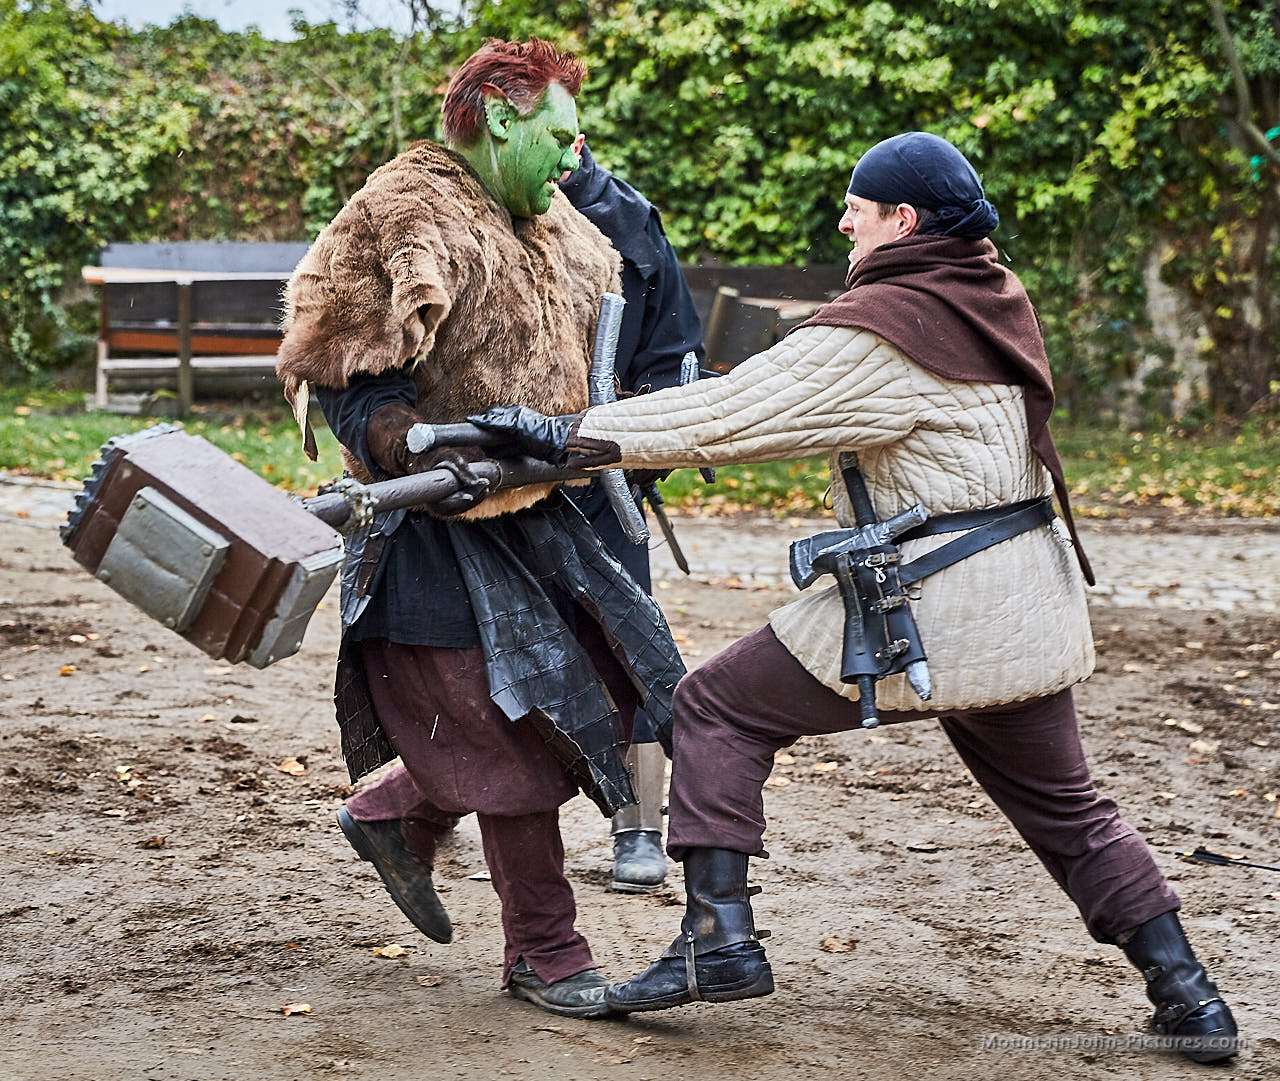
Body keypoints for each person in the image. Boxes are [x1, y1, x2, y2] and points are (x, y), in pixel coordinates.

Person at [466, 132, 1240, 1062]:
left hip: (942, 597)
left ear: (902, 220)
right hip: (1020, 599)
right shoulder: (984, 290)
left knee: (714, 707)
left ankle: (718, 941)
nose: (844, 222)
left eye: (857, 208)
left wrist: (561, 434)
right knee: (1068, 806)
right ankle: (1192, 995)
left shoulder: (892, 325)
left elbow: (732, 414)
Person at [273, 38, 685, 1020]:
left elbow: (603, 363)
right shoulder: (401, 215)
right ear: (502, 117)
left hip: (545, 516)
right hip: (428, 534)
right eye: (560, 131)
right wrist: (406, 443)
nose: (574, 150)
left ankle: (393, 813)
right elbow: (347, 380)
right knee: (506, 739)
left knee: (614, 685)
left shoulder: (561, 224)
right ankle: (546, 951)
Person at [352, 139, 706, 896]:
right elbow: (366, 366)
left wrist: (642, 442)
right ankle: (417, 823)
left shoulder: (621, 221)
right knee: (505, 692)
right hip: (481, 495)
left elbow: (671, 347)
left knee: (620, 663)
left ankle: (634, 821)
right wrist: (408, 441)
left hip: (599, 482)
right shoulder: (445, 207)